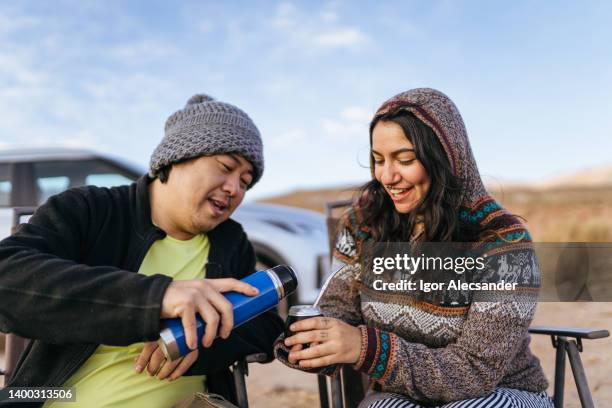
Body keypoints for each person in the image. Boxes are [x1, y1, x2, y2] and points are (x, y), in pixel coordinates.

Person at [275, 88, 553, 407]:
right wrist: (313, 340)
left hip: (498, 391)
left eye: (405, 160)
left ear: (444, 160)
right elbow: (339, 310)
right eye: (378, 160)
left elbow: (475, 371)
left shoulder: (501, 240)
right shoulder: (364, 226)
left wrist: (365, 348)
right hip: (401, 393)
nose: (387, 176)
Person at [0, 94, 284, 407]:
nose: (235, 189)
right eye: (226, 167)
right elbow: (7, 278)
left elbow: (267, 324)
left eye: (246, 181)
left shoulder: (230, 241)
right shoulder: (91, 210)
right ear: (176, 158)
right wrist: (156, 298)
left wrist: (201, 337)